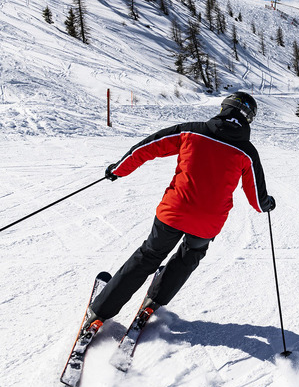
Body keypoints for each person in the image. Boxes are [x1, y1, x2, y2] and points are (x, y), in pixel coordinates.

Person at [79, 92, 276, 334]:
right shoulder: (246, 151)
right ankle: (155, 301)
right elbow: (257, 200)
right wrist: (267, 203)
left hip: (174, 211)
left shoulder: (191, 131)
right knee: (188, 257)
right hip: (208, 222)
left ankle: (100, 312)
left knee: (149, 256)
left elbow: (148, 147)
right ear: (249, 118)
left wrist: (118, 170)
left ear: (224, 108)